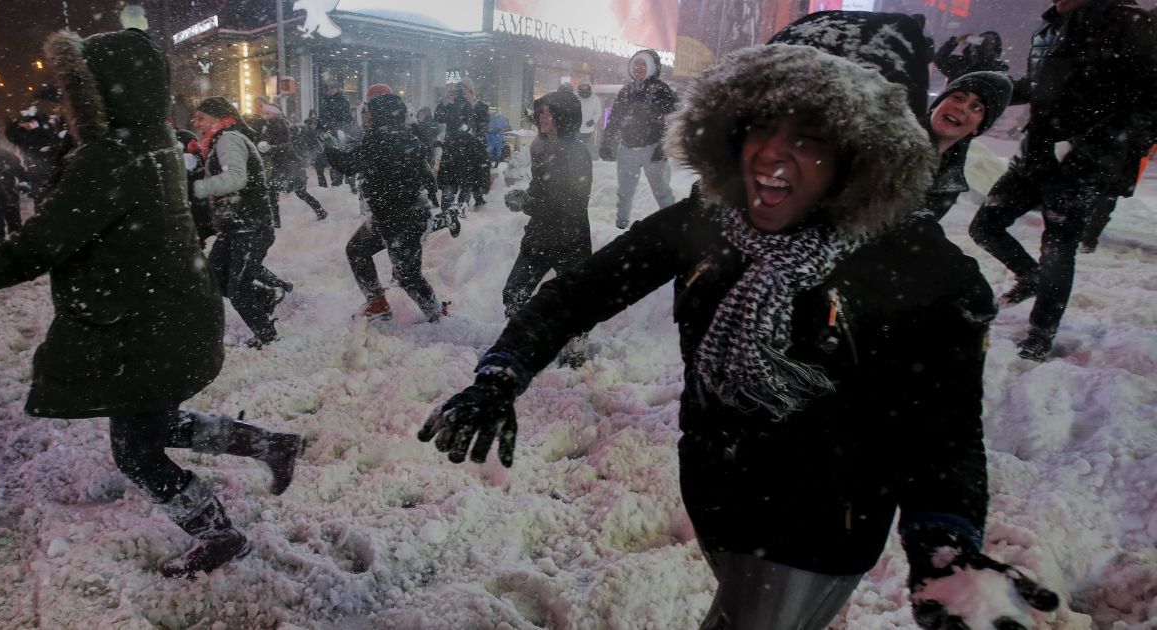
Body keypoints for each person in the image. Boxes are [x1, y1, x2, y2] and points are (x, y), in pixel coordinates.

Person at [420, 11, 1061, 630]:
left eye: (813, 132)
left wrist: (944, 541)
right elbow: (578, 293)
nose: (773, 156)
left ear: (870, 146)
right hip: (713, 488)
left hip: (822, 522)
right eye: (761, 123)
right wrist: (502, 372)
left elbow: (941, 430)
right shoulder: (710, 219)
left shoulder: (928, 273)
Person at [0, 28, 303, 579]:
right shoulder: (153, 144)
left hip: (144, 324)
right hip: (162, 315)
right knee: (154, 425)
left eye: (77, 91)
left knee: (138, 450)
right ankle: (270, 445)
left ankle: (221, 536)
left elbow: (33, 249)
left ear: (98, 94)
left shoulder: (111, 156)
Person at [968, 0, 1157, 361]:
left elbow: (1148, 101)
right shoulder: (1052, 24)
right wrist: (989, 90)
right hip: (1034, 155)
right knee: (986, 226)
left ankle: (1042, 331)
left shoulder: (1128, 23)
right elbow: (1040, 86)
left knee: (1058, 251)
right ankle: (1029, 276)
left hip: (1081, 167)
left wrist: (1087, 147)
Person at [324, 87, 450, 322]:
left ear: (380, 113)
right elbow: (426, 174)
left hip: (403, 220)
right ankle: (377, 303)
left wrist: (328, 146)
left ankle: (437, 315)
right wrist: (430, 197)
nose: (366, 117)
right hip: (392, 217)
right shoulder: (405, 137)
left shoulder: (379, 141)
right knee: (358, 250)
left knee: (407, 276)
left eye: (369, 112)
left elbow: (348, 165)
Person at [501, 90, 593, 367]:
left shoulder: (577, 153)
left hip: (570, 237)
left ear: (564, 117)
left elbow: (570, 203)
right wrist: (525, 196)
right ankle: (529, 342)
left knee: (574, 302)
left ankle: (575, 351)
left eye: (549, 112)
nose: (543, 117)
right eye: (541, 112)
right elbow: (541, 188)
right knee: (514, 293)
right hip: (540, 236)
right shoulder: (540, 147)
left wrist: (528, 204)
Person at [191, 97, 288, 348]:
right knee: (214, 278)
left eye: (201, 118)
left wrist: (197, 188)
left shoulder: (229, 139)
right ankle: (268, 294)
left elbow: (235, 178)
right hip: (235, 227)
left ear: (218, 117)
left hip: (250, 227)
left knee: (238, 291)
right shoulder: (220, 141)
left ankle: (269, 338)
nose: (196, 123)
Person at [600, 49, 678, 229]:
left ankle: (674, 226)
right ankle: (620, 225)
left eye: (644, 64)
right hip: (627, 149)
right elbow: (615, 120)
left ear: (651, 67)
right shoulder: (626, 91)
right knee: (625, 191)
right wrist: (607, 142)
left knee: (662, 192)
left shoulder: (661, 90)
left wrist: (663, 147)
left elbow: (674, 120)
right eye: (636, 64)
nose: (639, 68)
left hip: (653, 150)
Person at [923, 71, 1013, 220]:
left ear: (978, 127)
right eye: (958, 97)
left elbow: (917, 228)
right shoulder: (889, 140)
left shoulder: (950, 185)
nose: (962, 107)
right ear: (936, 105)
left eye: (977, 108)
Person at [257, 101, 329, 221]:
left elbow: (287, 146)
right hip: (284, 164)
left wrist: (270, 148)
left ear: (274, 113)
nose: (265, 114)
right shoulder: (270, 124)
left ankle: (276, 221)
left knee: (289, 191)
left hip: (289, 164)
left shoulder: (281, 125)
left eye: (267, 112)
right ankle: (319, 211)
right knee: (283, 191)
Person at [437, 93, 486, 212]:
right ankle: (462, 210)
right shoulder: (470, 109)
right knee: (466, 185)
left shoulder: (452, 107)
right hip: (465, 156)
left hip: (453, 154)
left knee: (451, 187)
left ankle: (449, 212)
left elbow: (438, 117)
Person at [934, 31, 1009, 83]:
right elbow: (939, 59)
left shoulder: (961, 63)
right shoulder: (998, 71)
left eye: (988, 44)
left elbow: (940, 58)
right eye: (983, 42)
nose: (984, 46)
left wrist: (956, 41)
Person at [577, 82, 603, 154]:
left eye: (585, 86)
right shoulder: (576, 98)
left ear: (588, 87)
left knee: (584, 146)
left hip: (588, 128)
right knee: (575, 146)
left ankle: (582, 160)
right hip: (576, 127)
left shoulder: (595, 99)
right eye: (582, 86)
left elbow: (598, 112)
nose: (584, 88)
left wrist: (593, 121)